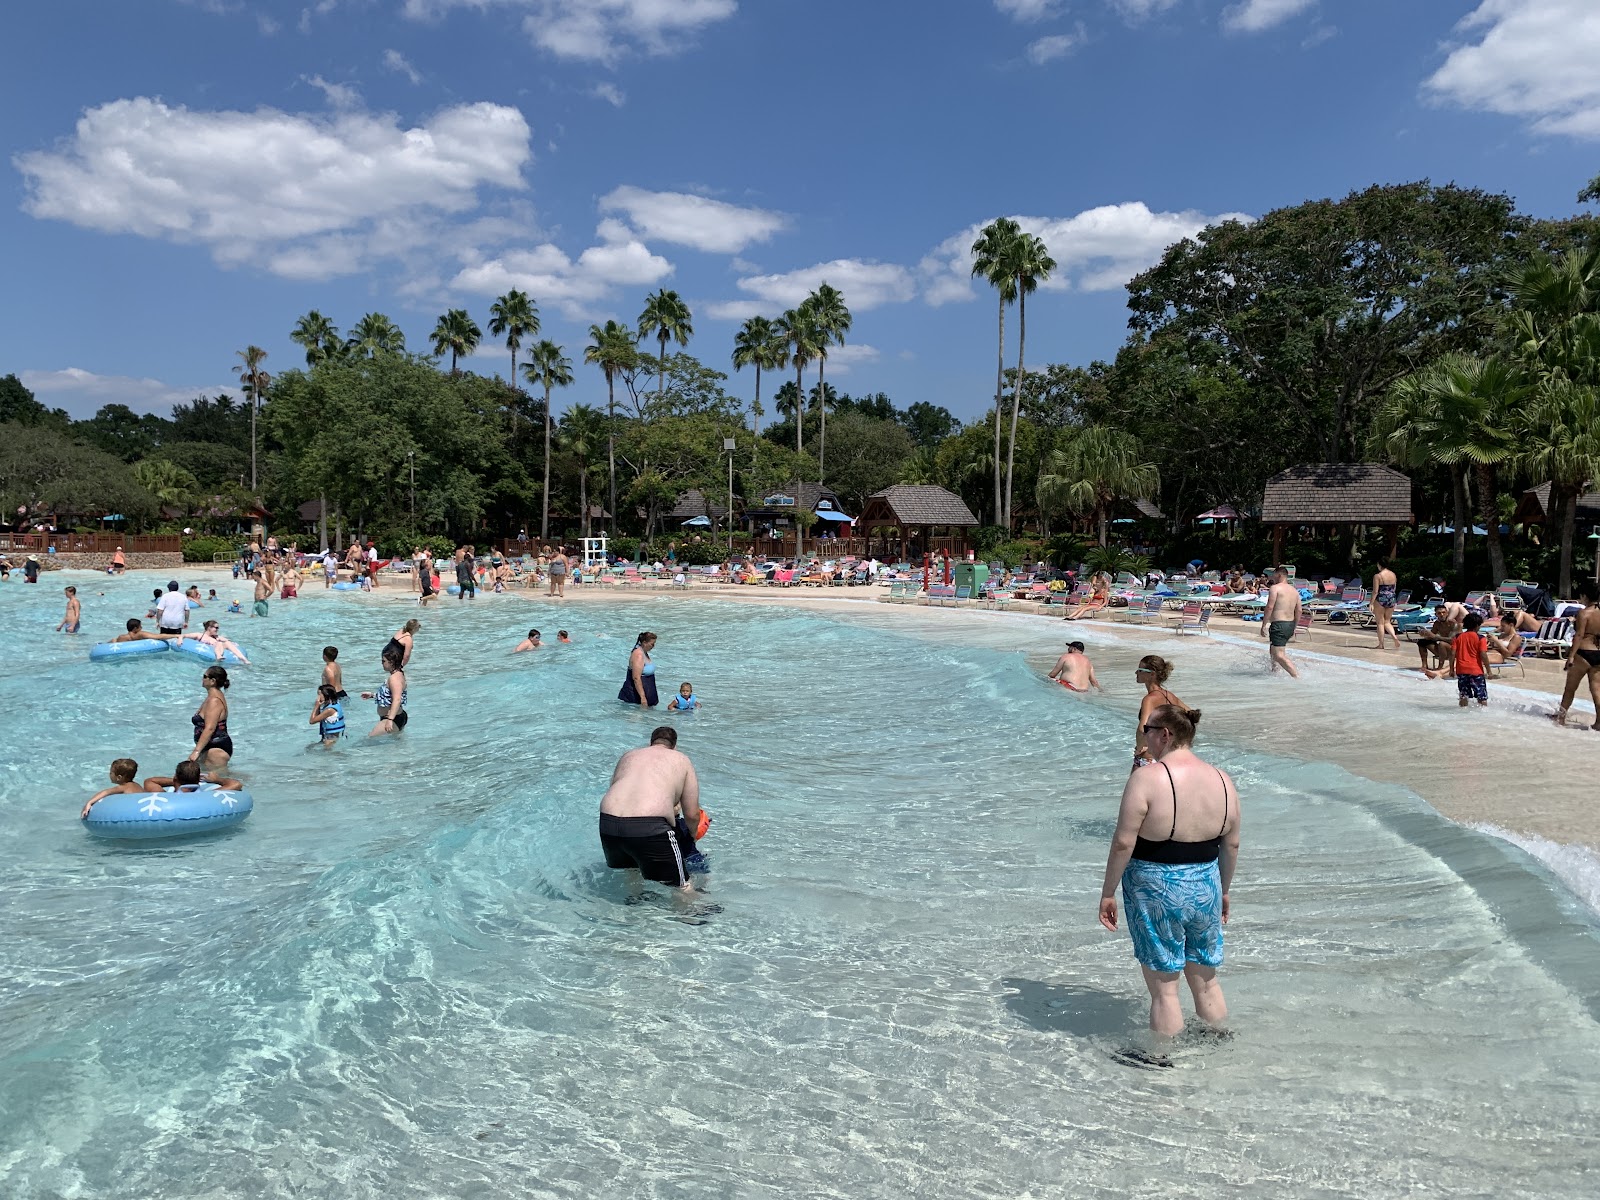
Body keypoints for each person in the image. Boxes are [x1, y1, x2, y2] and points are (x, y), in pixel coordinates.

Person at [1098, 703, 1240, 1046]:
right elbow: (1232, 844)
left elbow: (1123, 843)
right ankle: (1217, 1043)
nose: (1143, 735)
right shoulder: (1222, 779)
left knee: (1165, 989)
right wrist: (1223, 890)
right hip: (1206, 884)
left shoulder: (1146, 778)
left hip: (1155, 886)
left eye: (1146, 729)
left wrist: (1108, 892)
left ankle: (1161, 1059)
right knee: (1206, 979)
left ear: (1165, 734)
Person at [598, 726, 706, 892]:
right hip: (650, 826)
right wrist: (692, 836)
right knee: (682, 886)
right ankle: (690, 908)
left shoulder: (628, 756)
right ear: (674, 746)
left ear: (651, 743)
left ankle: (634, 901)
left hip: (609, 823)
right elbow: (692, 814)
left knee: (632, 870)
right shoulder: (681, 759)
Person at [1553, 580, 1600, 729]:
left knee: (1570, 688)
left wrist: (1571, 656)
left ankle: (1560, 718)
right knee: (1597, 690)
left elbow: (1579, 635)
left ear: (1585, 596)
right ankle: (1599, 722)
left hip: (1583, 653)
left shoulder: (1584, 613)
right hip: (1598, 653)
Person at [1133, 655, 1186, 770]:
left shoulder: (1149, 699)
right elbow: (1191, 716)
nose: (1136, 672)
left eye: (1140, 670)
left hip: (1148, 758)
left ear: (1152, 674)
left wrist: (1139, 748)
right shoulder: (1169, 696)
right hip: (1167, 758)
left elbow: (1142, 729)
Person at [1260, 567, 1301, 678]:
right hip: (1290, 624)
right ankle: (1274, 672)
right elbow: (1299, 610)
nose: (1272, 577)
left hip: (1279, 624)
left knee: (1279, 655)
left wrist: (1264, 625)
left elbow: (1269, 607)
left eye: (1273, 575)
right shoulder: (1294, 590)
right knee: (1273, 649)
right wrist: (1294, 626)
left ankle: (1296, 677)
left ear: (1279, 575)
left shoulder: (1275, 588)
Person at [190, 665, 233, 770]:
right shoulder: (212, 697)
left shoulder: (214, 701)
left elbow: (210, 728)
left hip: (216, 749)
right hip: (209, 747)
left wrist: (196, 751)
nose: (202, 678)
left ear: (213, 681)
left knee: (220, 777)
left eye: (205, 676)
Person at [362, 647, 408, 735]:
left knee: (369, 739)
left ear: (391, 662)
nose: (382, 663)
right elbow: (390, 696)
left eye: (383, 661)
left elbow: (397, 699)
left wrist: (390, 720)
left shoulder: (394, 679)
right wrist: (373, 695)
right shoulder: (397, 675)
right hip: (393, 717)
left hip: (392, 718)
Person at [1451, 613, 1490, 708]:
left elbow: (1452, 654)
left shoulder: (1457, 637)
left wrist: (1451, 669)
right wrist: (1489, 670)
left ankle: (1462, 712)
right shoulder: (1481, 638)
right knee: (1481, 697)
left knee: (1463, 696)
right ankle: (1483, 714)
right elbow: (1483, 654)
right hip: (1476, 671)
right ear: (1477, 625)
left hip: (1461, 670)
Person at [1417, 604, 1466, 678]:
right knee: (1422, 642)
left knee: (1442, 644)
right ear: (1436, 614)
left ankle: (1440, 667)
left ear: (1447, 613)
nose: (1442, 615)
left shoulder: (1454, 624)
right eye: (1439, 613)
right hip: (1443, 649)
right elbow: (1432, 636)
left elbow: (1453, 640)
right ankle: (1424, 665)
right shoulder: (1437, 624)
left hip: (1455, 649)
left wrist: (1436, 637)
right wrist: (1425, 634)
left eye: (1443, 612)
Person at [144, 759, 243, 793]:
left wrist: (177, 780)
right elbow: (236, 784)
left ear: (175, 778)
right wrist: (217, 780)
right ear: (198, 780)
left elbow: (149, 781)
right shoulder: (206, 796)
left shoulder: (164, 796)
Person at [619, 632, 660, 708]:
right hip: (635, 698)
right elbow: (636, 678)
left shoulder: (644, 652)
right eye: (652, 644)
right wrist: (643, 698)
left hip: (643, 697)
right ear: (644, 642)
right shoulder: (639, 655)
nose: (653, 646)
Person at [185, 619, 250, 664]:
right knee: (219, 643)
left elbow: (227, 641)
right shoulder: (199, 635)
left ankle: (244, 659)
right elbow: (184, 635)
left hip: (218, 649)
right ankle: (218, 656)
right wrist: (180, 639)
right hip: (207, 651)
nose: (217, 629)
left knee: (223, 642)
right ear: (209, 628)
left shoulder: (217, 637)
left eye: (218, 628)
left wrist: (233, 644)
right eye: (216, 628)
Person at [1370, 560, 1399, 651]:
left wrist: (1371, 603)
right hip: (1391, 598)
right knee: (1387, 621)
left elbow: (1375, 591)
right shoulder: (1393, 574)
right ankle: (1394, 636)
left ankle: (1381, 644)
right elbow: (1394, 588)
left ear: (1379, 565)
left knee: (1380, 623)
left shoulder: (1378, 576)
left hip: (1381, 598)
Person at [113, 618, 178, 644]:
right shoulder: (139, 634)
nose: (141, 628)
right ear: (135, 628)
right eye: (140, 627)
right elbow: (158, 636)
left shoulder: (121, 637)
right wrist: (176, 635)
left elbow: (113, 641)